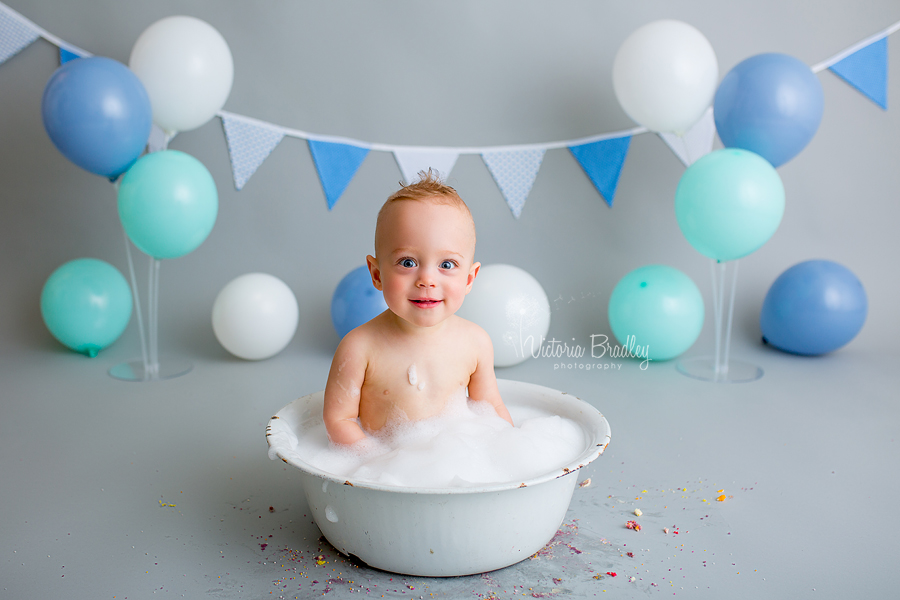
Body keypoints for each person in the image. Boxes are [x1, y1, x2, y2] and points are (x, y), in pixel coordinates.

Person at [323, 171, 513, 445]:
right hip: (385, 471)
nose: (427, 280)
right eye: (407, 262)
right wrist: (373, 463)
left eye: (446, 265)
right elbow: (338, 421)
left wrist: (509, 449)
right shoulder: (359, 347)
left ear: (469, 278)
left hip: (457, 465)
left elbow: (491, 409)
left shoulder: (475, 342)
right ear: (377, 274)